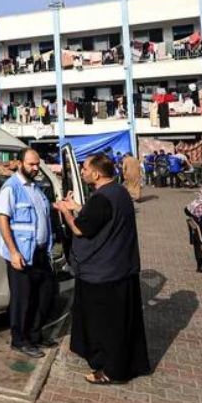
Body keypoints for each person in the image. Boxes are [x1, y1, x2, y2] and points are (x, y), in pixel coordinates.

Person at [54, 154, 150, 384]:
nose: (82, 171)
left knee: (106, 327)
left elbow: (80, 229)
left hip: (103, 274)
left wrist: (65, 211)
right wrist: (78, 206)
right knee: (121, 324)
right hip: (121, 269)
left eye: (85, 168)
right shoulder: (118, 192)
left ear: (96, 174)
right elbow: (99, 215)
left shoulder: (102, 199)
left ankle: (110, 371)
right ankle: (122, 365)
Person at [0, 148, 57, 358]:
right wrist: (13, 252)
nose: (35, 168)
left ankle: (35, 335)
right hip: (21, 254)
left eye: (37, 164)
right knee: (22, 299)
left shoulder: (36, 187)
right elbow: (3, 220)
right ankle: (19, 340)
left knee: (45, 294)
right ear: (20, 163)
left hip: (40, 252)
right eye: (31, 164)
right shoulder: (11, 188)